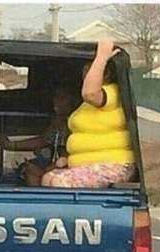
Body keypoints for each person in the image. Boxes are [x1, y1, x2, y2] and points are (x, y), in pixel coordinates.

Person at [41, 39, 136, 188]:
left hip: (113, 164)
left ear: (106, 74)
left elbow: (90, 93)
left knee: (60, 182)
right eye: (85, 71)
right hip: (88, 165)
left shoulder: (111, 92)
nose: (85, 75)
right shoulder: (85, 106)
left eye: (89, 70)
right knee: (48, 178)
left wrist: (101, 58)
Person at [0, 86, 76, 186]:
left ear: (73, 102)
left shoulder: (76, 123)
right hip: (53, 166)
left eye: (62, 98)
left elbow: (65, 158)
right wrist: (11, 145)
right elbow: (46, 138)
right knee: (28, 170)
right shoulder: (58, 121)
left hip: (68, 171)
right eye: (56, 97)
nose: (56, 101)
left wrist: (43, 171)